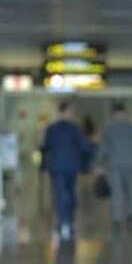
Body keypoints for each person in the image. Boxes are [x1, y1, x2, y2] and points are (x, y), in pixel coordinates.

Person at [42, 101, 94, 241]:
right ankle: (68, 220)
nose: (72, 114)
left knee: (60, 193)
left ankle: (63, 221)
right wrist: (93, 148)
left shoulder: (51, 129)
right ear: (65, 112)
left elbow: (46, 146)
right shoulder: (75, 129)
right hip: (71, 167)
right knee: (70, 192)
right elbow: (84, 147)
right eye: (71, 111)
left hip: (57, 166)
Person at [98, 102, 132, 229]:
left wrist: (99, 163)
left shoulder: (108, 128)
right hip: (130, 163)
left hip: (114, 164)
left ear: (113, 114)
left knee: (116, 191)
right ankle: (130, 214)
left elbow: (104, 147)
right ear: (124, 113)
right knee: (130, 190)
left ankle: (117, 218)